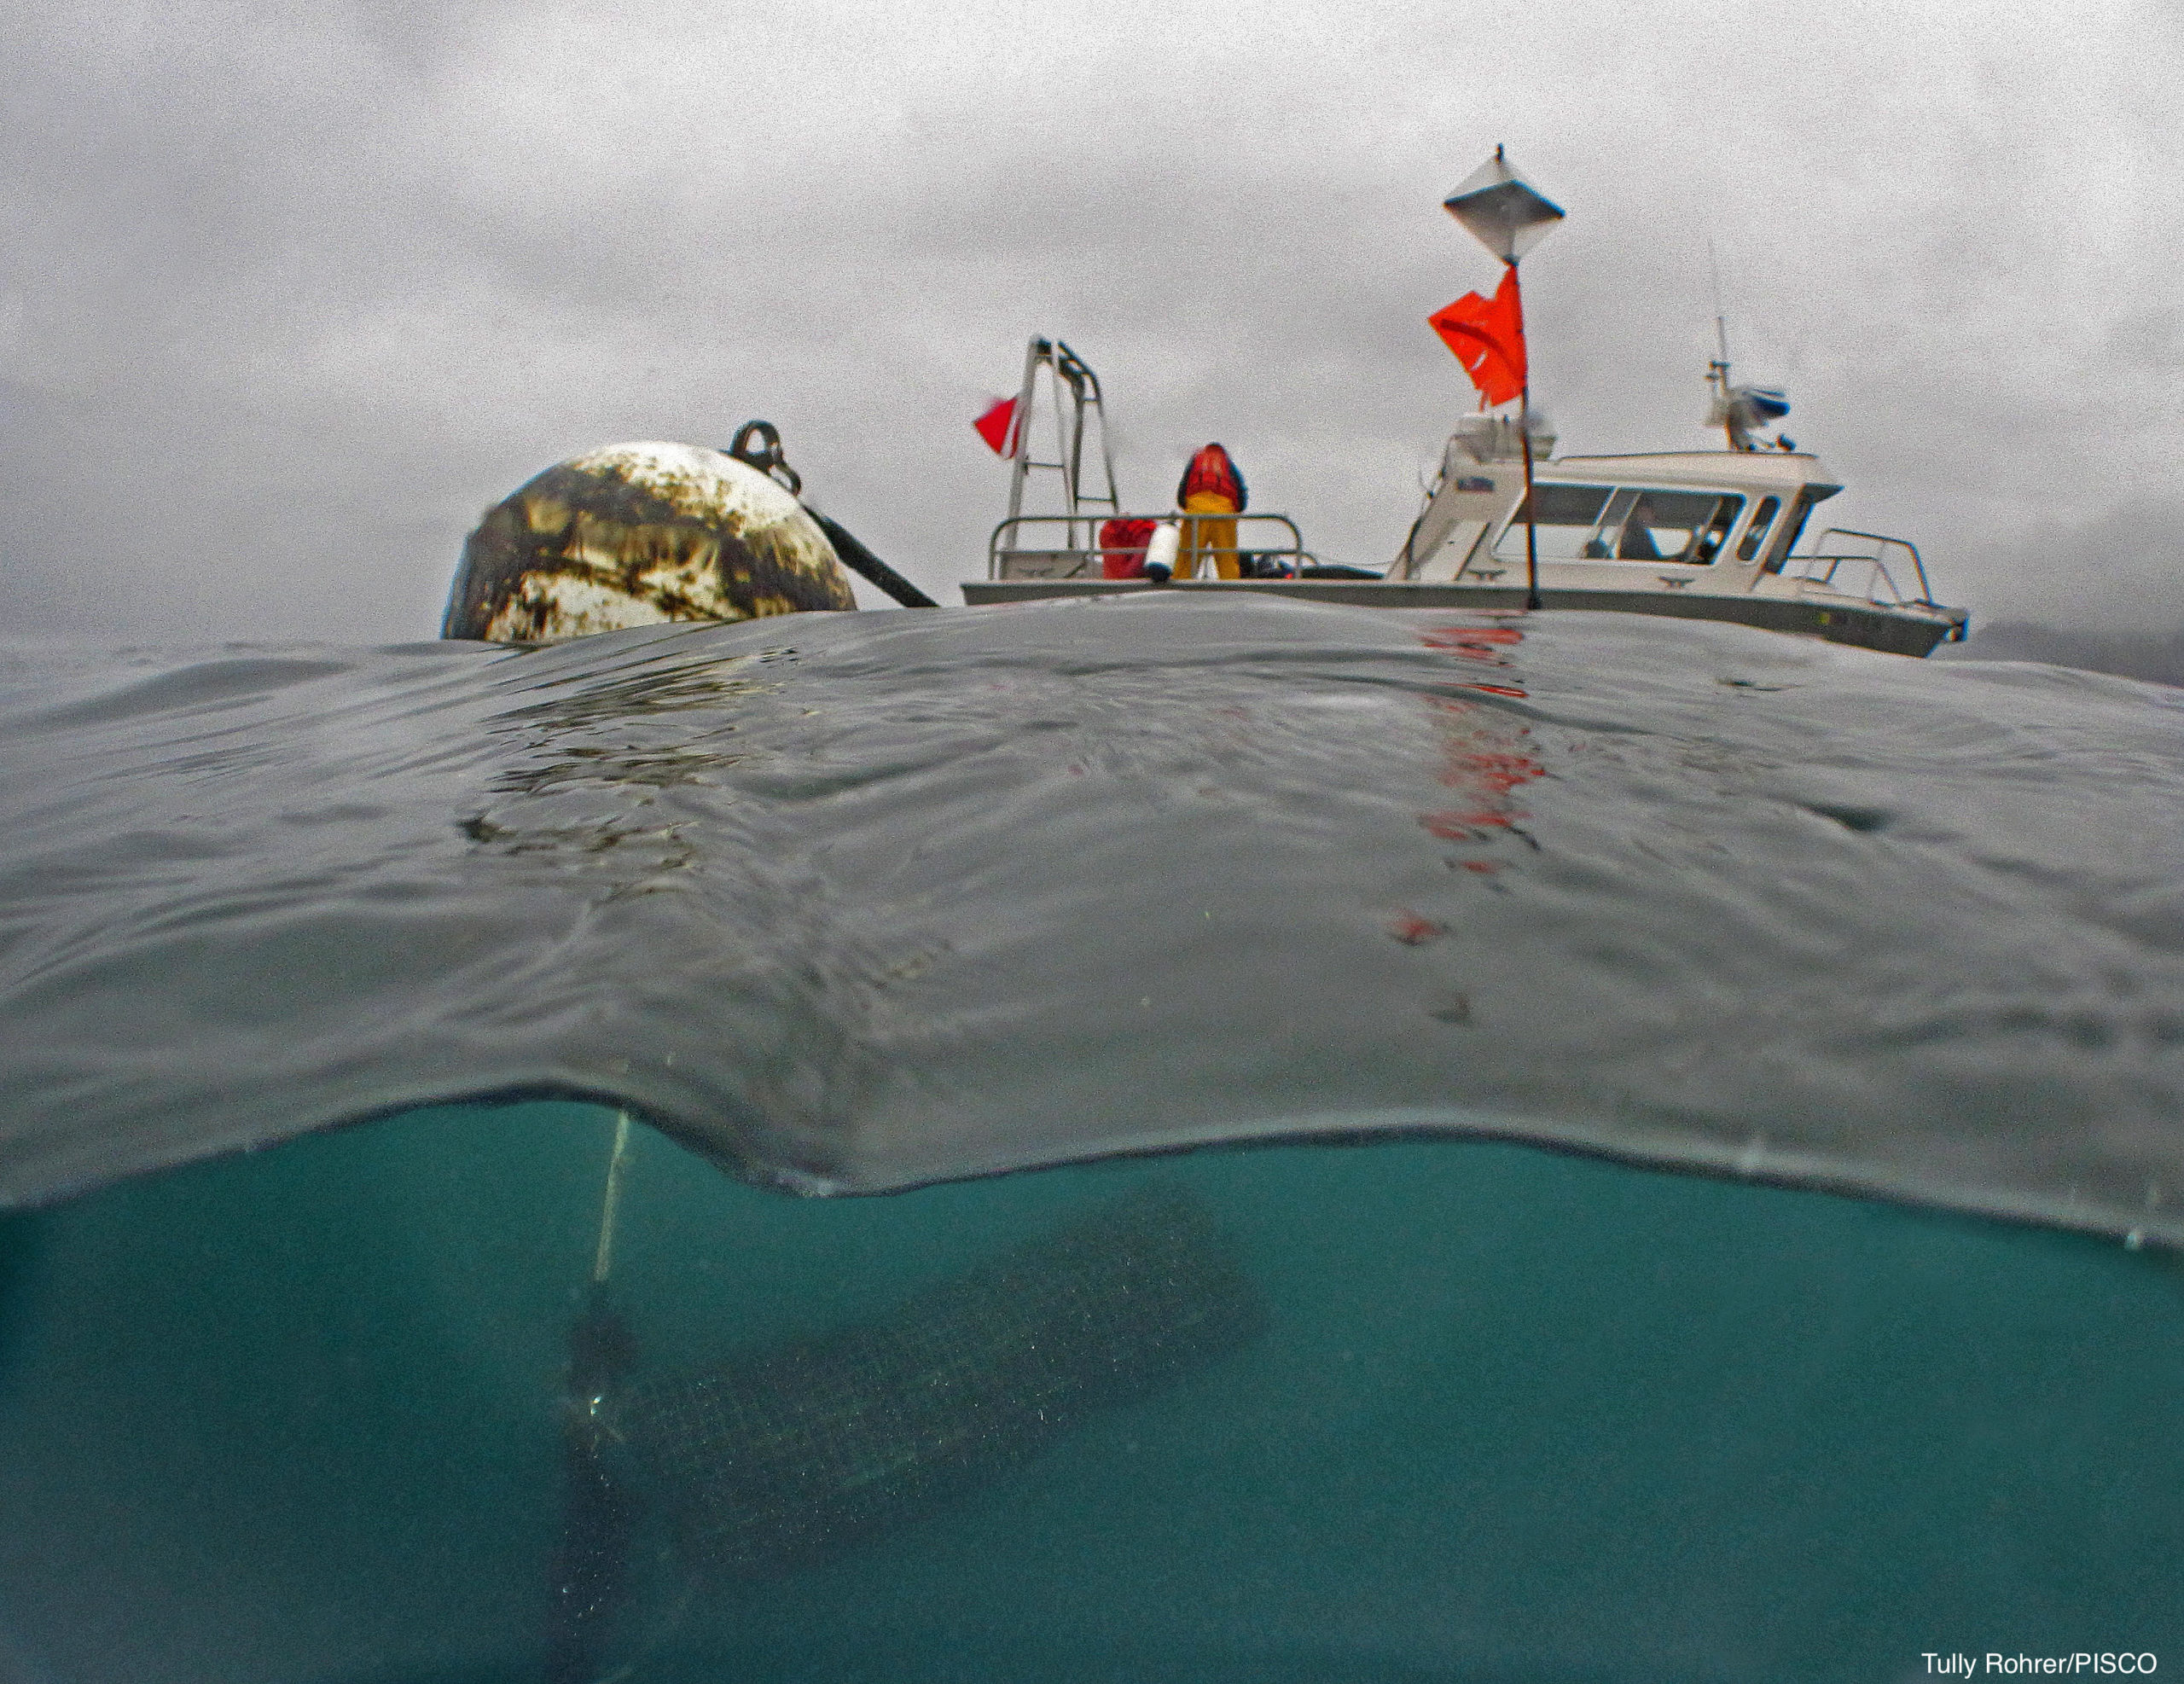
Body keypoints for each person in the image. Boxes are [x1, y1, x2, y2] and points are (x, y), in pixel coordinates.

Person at [1175, 444, 1247, 580]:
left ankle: (1178, 592)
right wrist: (1237, 510)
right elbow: (1241, 493)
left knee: (1187, 560)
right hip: (1223, 514)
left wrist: (1188, 506)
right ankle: (1231, 591)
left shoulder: (1196, 461)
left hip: (1196, 513)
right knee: (1227, 561)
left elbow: (1182, 492)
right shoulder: (1229, 464)